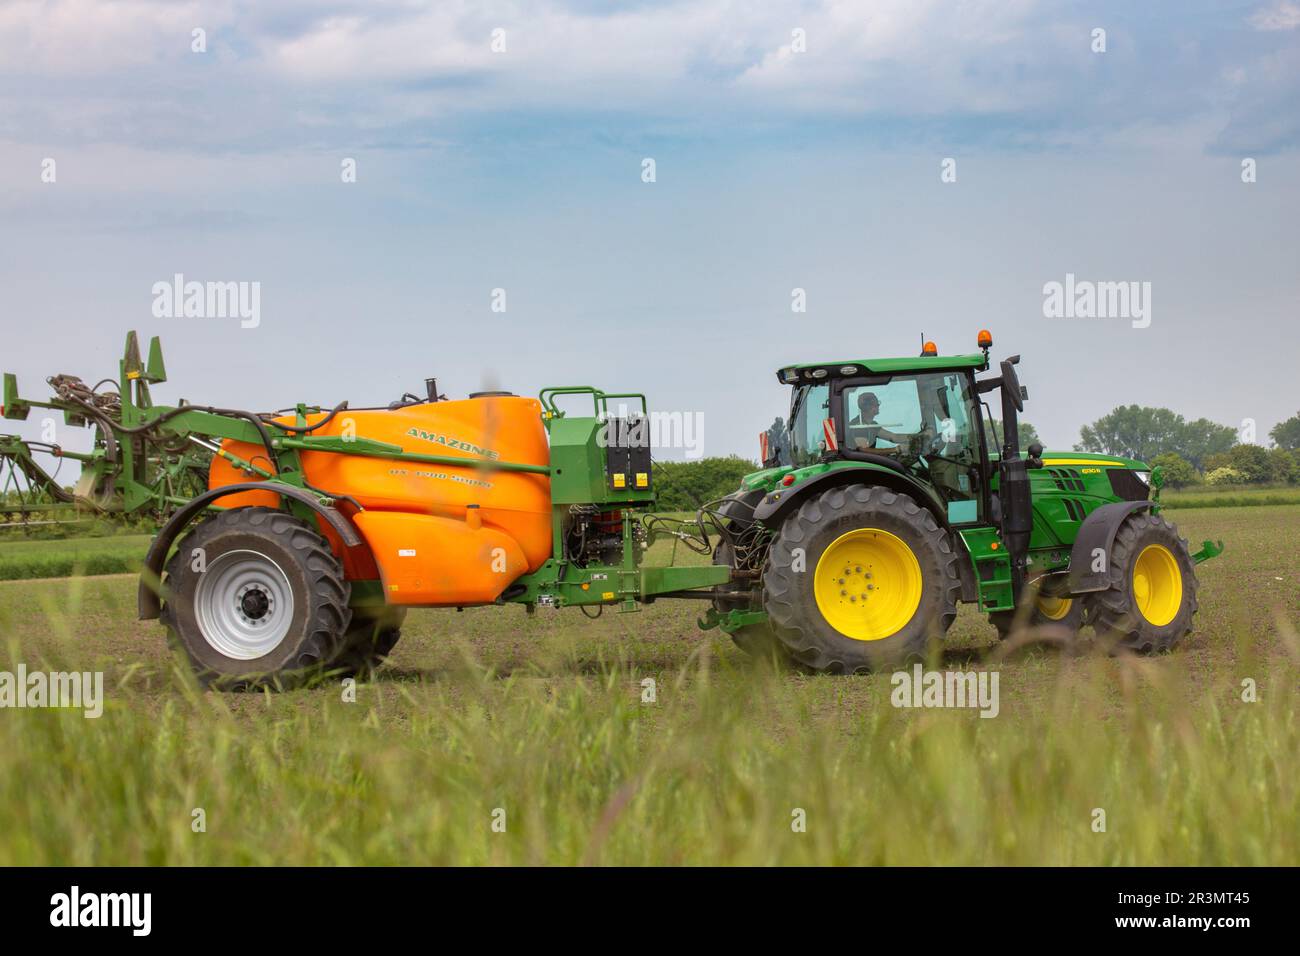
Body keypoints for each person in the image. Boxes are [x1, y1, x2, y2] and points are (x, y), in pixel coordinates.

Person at [848, 392, 916, 452]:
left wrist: (916, 437)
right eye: (876, 404)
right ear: (867, 407)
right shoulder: (859, 426)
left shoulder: (872, 425)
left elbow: (894, 437)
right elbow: (865, 451)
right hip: (861, 465)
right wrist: (896, 449)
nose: (878, 406)